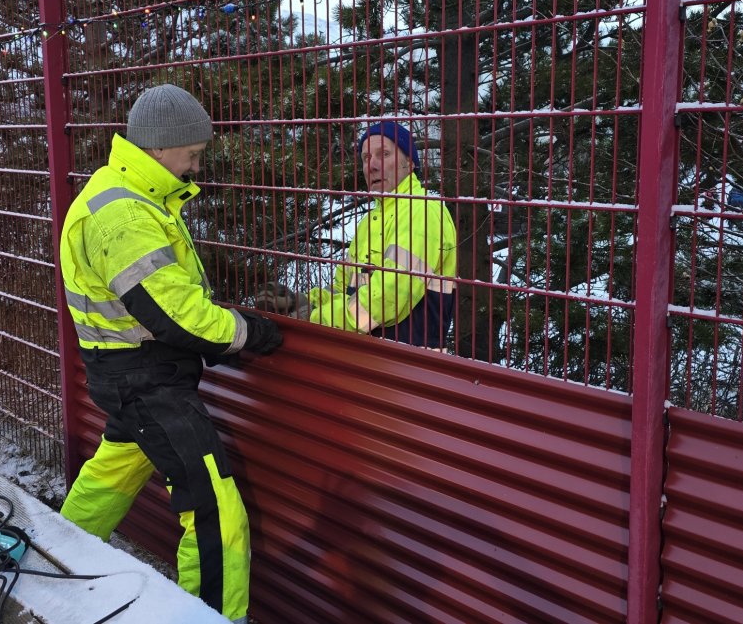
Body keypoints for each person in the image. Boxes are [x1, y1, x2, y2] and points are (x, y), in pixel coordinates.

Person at [57, 83, 281, 623]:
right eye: (193, 154)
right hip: (147, 381)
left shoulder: (129, 193)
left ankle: (53, 555)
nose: (195, 166)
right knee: (217, 514)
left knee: (109, 476)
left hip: (129, 373)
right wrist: (249, 332)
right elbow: (174, 313)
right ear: (161, 146)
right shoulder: (125, 216)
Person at [306, 120, 457, 349]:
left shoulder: (423, 211)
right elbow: (343, 287)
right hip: (371, 359)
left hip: (411, 365)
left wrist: (317, 317)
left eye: (383, 154)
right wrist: (309, 302)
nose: (372, 165)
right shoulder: (370, 223)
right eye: (366, 158)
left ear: (410, 162)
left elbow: (388, 298)